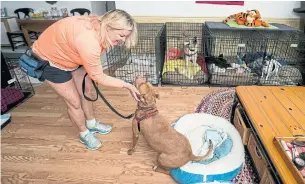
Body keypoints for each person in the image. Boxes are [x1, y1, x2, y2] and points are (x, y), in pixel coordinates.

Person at [30, 9, 140, 150]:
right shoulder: (88, 40)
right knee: (74, 101)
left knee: (87, 91)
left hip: (72, 54)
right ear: (110, 25)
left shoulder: (99, 27)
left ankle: (91, 123)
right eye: (122, 35)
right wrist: (127, 85)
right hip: (50, 60)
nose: (122, 40)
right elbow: (98, 76)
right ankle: (84, 133)